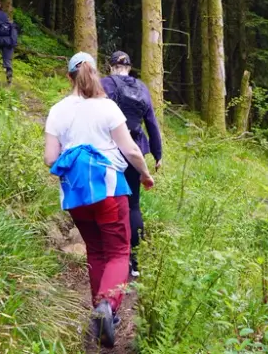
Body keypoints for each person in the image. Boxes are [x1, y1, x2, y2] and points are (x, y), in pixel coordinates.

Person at [44, 53, 155, 348]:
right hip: (109, 189)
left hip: (76, 193)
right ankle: (108, 306)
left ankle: (100, 311)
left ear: (69, 77)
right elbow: (131, 150)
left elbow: (50, 158)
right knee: (119, 251)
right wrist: (144, 174)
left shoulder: (57, 110)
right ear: (95, 74)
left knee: (95, 251)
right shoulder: (108, 108)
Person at [102, 51, 162, 278]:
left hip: (109, 149)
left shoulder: (106, 84)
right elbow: (152, 123)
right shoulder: (142, 88)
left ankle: (112, 255)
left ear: (111, 66)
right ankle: (134, 261)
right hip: (135, 151)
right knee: (133, 204)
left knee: (108, 200)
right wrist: (157, 154)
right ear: (129, 67)